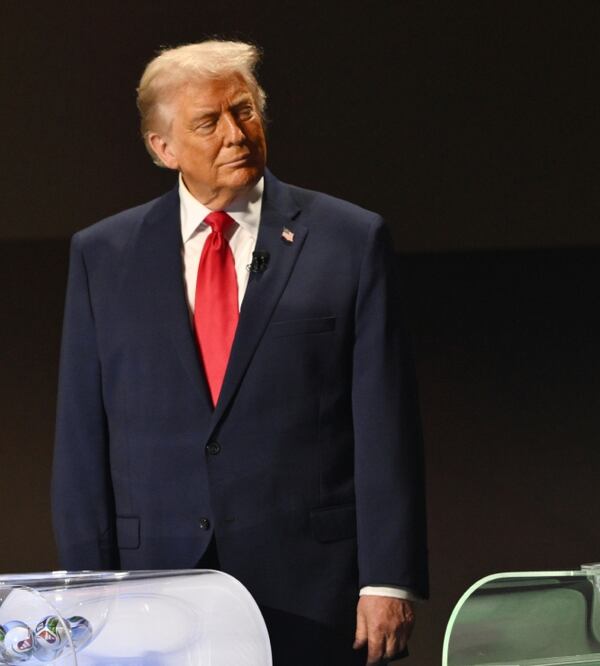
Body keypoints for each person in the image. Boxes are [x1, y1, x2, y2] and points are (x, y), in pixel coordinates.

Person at [51, 40, 428, 665]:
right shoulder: (103, 256)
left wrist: (386, 579)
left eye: (245, 111)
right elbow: (82, 438)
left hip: (314, 585)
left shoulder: (348, 240)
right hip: (154, 588)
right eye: (209, 121)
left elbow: (385, 422)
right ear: (162, 147)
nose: (236, 133)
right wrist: (88, 591)